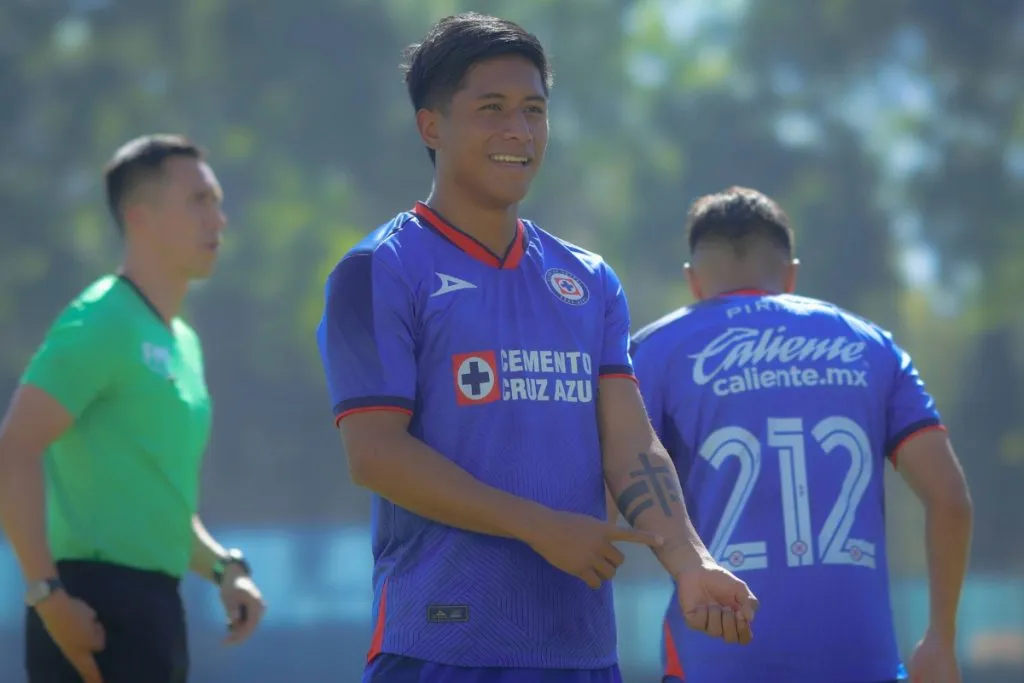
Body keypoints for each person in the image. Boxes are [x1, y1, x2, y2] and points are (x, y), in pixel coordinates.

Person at [316, 13, 758, 683]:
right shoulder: (380, 267)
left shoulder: (589, 280)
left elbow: (630, 442)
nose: (518, 132)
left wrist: (689, 560)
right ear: (431, 126)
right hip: (440, 645)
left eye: (533, 111)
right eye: (490, 109)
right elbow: (375, 454)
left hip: (579, 651)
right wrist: (539, 525)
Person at [630, 186, 973, 683]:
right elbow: (951, 499)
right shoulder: (872, 345)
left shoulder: (654, 349)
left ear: (694, 281)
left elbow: (600, 494)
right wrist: (940, 638)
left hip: (715, 658)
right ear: (790, 274)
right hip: (863, 664)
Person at [0, 134, 267, 683]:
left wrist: (223, 570)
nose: (218, 219)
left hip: (156, 609)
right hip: (92, 607)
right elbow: (15, 447)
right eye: (199, 202)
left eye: (217, 201)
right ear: (139, 217)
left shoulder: (183, 343)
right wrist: (48, 597)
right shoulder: (100, 319)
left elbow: (157, 501)